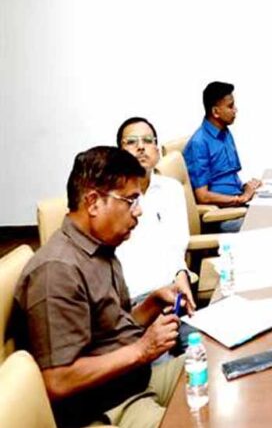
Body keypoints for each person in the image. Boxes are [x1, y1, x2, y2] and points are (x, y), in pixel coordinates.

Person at [13, 146, 194, 428]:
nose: (139, 211)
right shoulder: (56, 271)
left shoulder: (101, 249)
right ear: (94, 202)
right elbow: (57, 380)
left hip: (135, 381)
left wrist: (152, 304)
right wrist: (143, 349)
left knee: (218, 366)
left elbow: (109, 332)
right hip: (107, 407)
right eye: (131, 200)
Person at [115, 116, 196, 305]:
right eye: (131, 142)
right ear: (119, 154)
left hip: (172, 292)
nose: (140, 147)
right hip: (133, 299)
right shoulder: (113, 198)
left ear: (157, 150)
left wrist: (181, 273)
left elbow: (177, 245)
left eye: (147, 141)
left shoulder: (172, 189)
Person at [183, 81, 261, 232]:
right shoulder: (199, 143)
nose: (235, 110)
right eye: (230, 106)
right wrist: (240, 199)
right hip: (220, 216)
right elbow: (203, 197)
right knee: (262, 226)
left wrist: (247, 188)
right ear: (215, 112)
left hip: (237, 206)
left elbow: (228, 177)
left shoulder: (225, 133)